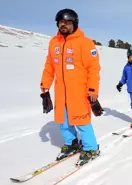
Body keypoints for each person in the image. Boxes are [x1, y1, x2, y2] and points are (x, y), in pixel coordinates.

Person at [40, 8, 103, 166]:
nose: (64, 25)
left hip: (79, 91)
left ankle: (91, 147)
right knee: (63, 121)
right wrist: (45, 86)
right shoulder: (54, 42)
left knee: (82, 120)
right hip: (61, 91)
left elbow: (93, 69)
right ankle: (72, 143)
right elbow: (49, 66)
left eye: (67, 22)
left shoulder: (85, 43)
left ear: (74, 24)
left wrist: (93, 90)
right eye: (61, 22)